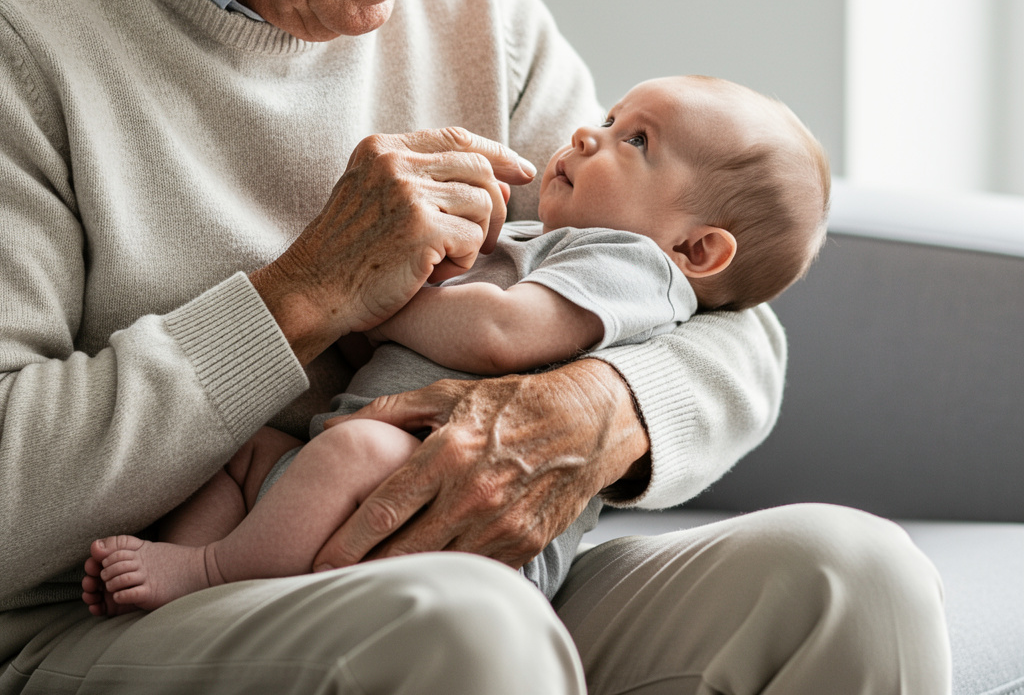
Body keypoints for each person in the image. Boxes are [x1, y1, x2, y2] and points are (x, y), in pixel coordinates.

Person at [0, 0, 951, 692]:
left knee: (853, 579)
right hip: (112, 619)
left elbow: (721, 307)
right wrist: (301, 298)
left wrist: (603, 402)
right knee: (469, 627)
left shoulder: (469, 6)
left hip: (467, 580)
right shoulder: (26, 31)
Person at [82, 74, 832, 614]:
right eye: (610, 117)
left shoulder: (632, 266)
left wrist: (380, 300)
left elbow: (502, 334)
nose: (586, 133)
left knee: (352, 450)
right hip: (351, 477)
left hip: (445, 516)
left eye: (635, 140)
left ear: (696, 250)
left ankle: (210, 573)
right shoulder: (549, 237)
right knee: (241, 452)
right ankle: (192, 600)